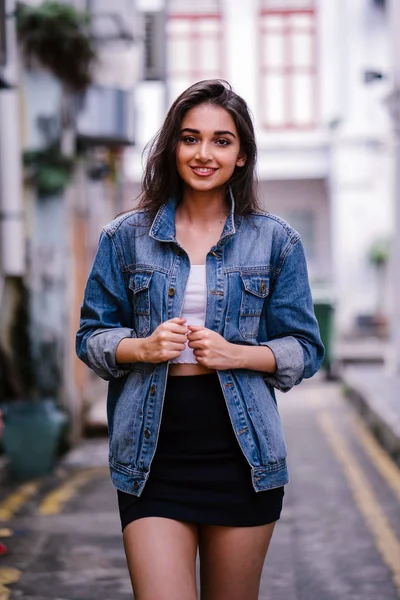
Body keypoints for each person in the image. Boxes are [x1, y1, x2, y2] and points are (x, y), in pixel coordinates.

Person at [76, 79, 324, 600]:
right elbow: (92, 337)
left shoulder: (276, 240)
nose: (204, 153)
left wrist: (238, 354)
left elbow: (305, 348)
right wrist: (140, 347)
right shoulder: (124, 237)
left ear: (241, 155)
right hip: (152, 456)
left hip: (243, 454)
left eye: (221, 140)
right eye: (190, 138)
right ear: (172, 147)